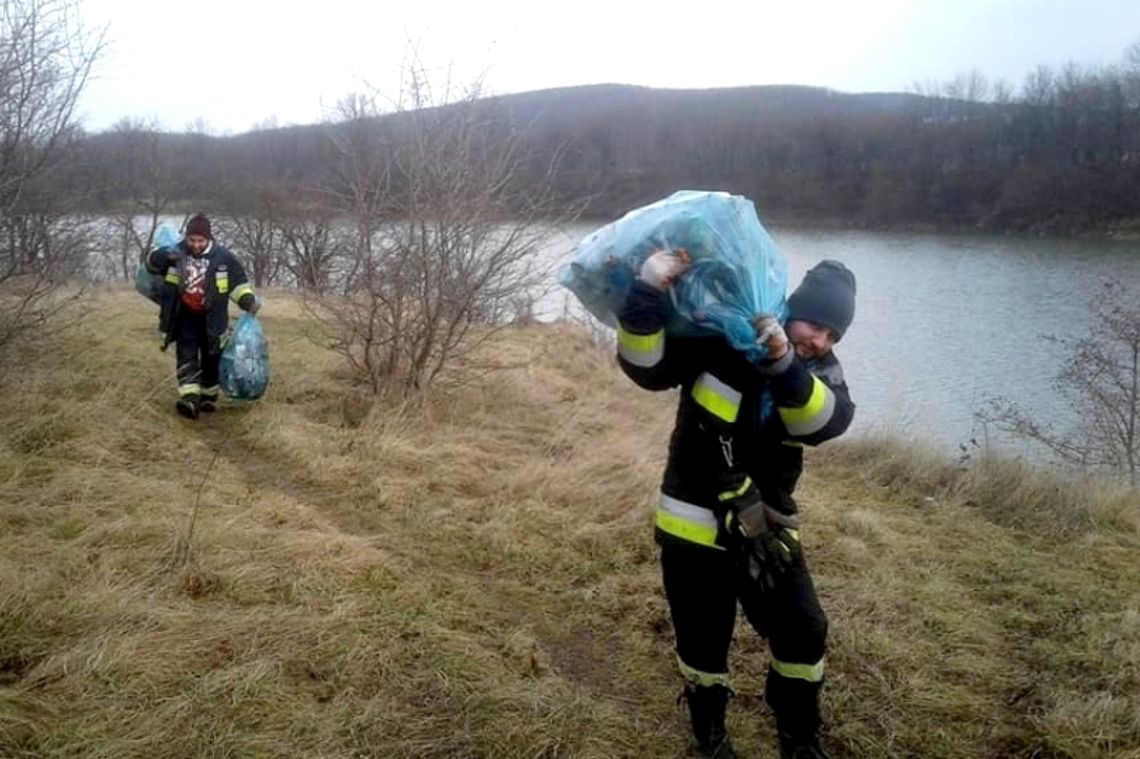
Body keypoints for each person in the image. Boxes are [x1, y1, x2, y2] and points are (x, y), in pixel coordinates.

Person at [616, 254, 856, 759]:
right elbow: (646, 366)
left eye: (833, 335)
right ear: (793, 308)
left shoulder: (816, 370)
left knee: (804, 629)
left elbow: (825, 424)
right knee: (703, 646)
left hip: (765, 529)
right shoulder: (719, 336)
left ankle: (798, 738)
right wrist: (645, 293)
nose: (821, 341)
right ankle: (710, 738)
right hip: (693, 527)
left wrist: (784, 363)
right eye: (816, 324)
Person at [146, 213, 260, 419]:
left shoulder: (225, 258)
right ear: (186, 238)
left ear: (209, 239)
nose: (196, 245)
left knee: (212, 357)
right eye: (192, 240)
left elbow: (239, 286)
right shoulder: (175, 252)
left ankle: (208, 398)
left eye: (200, 241)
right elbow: (150, 263)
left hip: (213, 318)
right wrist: (164, 256)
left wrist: (248, 301)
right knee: (186, 355)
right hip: (184, 315)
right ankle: (190, 399)